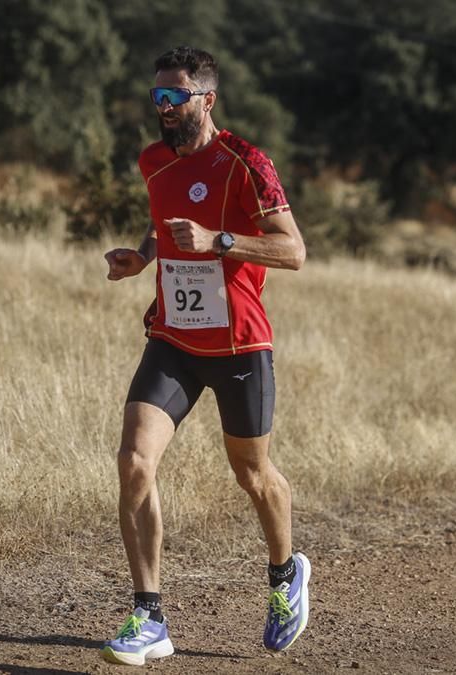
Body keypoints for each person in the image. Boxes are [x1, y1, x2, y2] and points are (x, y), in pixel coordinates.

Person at [100, 46, 310, 666]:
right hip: (173, 339)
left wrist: (221, 241)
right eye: (156, 97)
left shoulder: (247, 162)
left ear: (206, 100)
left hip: (241, 344)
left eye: (174, 97)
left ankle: (284, 577)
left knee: (252, 476)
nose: (162, 108)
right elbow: (163, 222)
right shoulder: (152, 162)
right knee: (134, 459)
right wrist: (143, 256)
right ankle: (149, 616)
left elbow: (293, 251)